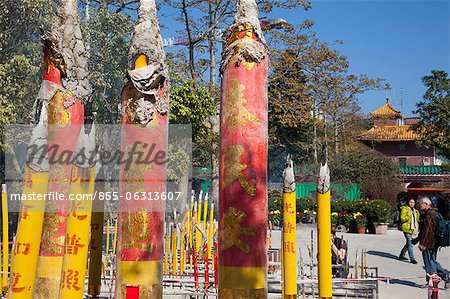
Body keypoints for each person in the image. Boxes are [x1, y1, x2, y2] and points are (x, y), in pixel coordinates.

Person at [416, 196, 450, 287]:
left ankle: (443, 277)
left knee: (429, 263)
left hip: (429, 242)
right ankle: (444, 276)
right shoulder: (436, 212)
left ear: (426, 204)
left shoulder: (429, 214)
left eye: (420, 204)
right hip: (435, 241)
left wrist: (423, 244)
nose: (419, 205)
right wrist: (417, 239)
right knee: (432, 261)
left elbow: (427, 230)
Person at [398, 198, 420, 264]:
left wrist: (417, 214)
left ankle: (401, 255)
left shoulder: (415, 210)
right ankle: (412, 258)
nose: (412, 203)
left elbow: (417, 219)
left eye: (413, 202)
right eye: (410, 202)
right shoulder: (404, 208)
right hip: (406, 228)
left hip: (413, 228)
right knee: (410, 243)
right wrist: (409, 215)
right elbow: (402, 218)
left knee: (409, 243)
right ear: (408, 202)